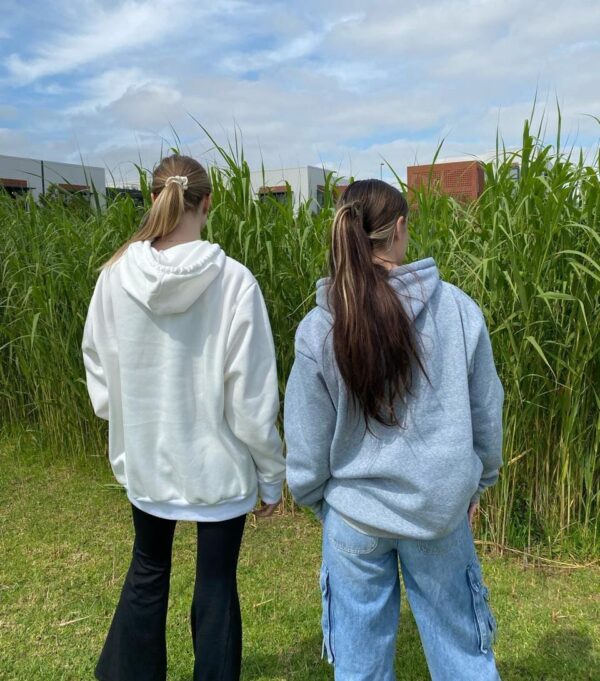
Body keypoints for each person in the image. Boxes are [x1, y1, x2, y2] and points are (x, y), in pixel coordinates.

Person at [284, 179, 504, 681]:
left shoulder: (320, 327)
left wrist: (322, 501)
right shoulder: (457, 311)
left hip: (353, 519)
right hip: (439, 513)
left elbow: (305, 441)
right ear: (399, 228)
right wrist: (478, 481)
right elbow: (488, 410)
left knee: (359, 667)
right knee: (464, 657)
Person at [82, 154, 285, 681]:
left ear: (155, 198)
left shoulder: (113, 277)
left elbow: (99, 371)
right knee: (217, 584)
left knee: (148, 571)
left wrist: (123, 421)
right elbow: (252, 399)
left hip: (147, 460)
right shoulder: (236, 283)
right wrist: (271, 477)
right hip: (219, 469)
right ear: (208, 203)